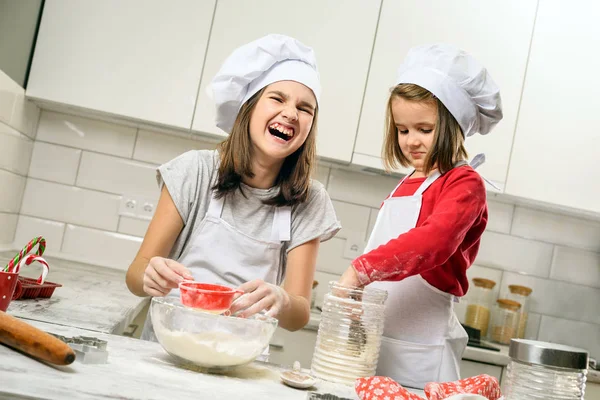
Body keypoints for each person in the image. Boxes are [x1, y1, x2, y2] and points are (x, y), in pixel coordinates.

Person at [125, 34, 341, 341]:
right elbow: (135, 275)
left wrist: (282, 300)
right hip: (166, 347)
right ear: (248, 108)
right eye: (277, 98)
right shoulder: (194, 171)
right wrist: (150, 276)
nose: (291, 113)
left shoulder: (309, 199)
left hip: (241, 359)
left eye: (305, 108)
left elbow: (299, 313)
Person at [338, 43, 503, 388]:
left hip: (422, 355)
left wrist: (360, 270)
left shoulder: (464, 183)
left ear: (454, 125)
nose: (411, 141)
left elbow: (435, 241)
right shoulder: (408, 182)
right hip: (379, 345)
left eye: (424, 130)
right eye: (402, 129)